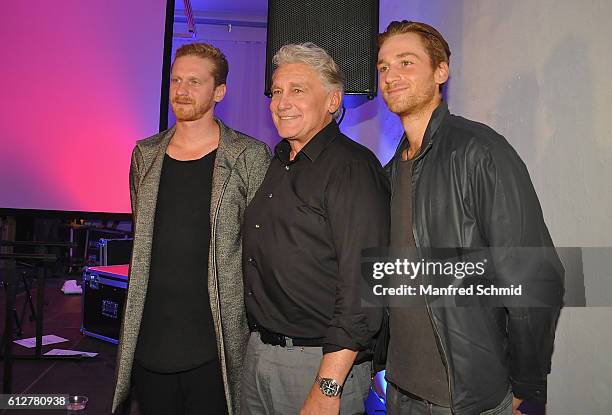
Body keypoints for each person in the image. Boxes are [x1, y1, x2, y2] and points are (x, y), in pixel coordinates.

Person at [377, 21, 564, 415]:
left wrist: (526, 383)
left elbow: (535, 275)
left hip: (467, 400)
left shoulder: (480, 152)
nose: (391, 76)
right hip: (398, 391)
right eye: (383, 67)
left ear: (440, 71)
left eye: (406, 62)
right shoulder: (391, 169)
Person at [111, 42, 271, 415]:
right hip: (151, 341)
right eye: (176, 80)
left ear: (219, 92)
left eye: (194, 82)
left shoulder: (249, 156)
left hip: (215, 344)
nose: (181, 91)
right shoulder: (144, 155)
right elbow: (146, 238)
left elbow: (258, 249)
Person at [240, 43, 389, 415]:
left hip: (318, 363)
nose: (281, 102)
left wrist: (327, 386)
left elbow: (364, 287)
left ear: (333, 101)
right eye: (276, 91)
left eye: (297, 90)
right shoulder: (279, 162)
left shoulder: (352, 168)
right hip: (259, 354)